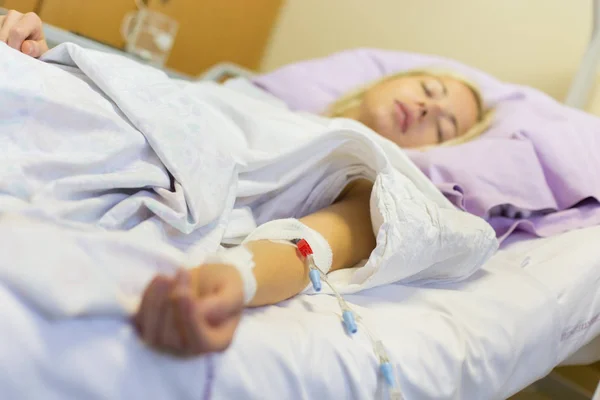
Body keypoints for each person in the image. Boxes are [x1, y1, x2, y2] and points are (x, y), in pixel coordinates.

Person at [0, 10, 492, 357]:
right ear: (382, 83)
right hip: (98, 101)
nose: (429, 107)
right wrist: (42, 57)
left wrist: (239, 277)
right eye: (429, 89)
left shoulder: (363, 163)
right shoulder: (245, 96)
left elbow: (318, 242)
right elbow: (157, 100)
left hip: (129, 152)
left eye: (444, 126)